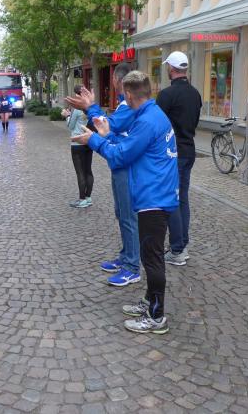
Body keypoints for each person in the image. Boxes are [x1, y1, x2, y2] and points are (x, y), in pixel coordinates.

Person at [71, 71, 179, 334]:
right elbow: (126, 144)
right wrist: (105, 135)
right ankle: (149, 302)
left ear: (129, 95)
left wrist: (93, 140)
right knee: (149, 255)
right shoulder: (149, 114)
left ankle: (156, 317)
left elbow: (120, 156)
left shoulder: (147, 121)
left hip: (154, 197)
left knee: (152, 259)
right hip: (155, 193)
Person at [66, 63, 141, 287]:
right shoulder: (125, 104)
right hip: (119, 165)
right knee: (121, 214)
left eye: (115, 80)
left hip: (126, 167)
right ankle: (126, 256)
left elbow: (107, 126)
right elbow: (109, 130)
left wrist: (91, 108)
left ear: (119, 81)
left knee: (128, 217)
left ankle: (132, 266)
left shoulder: (129, 106)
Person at [157, 51, 202, 266]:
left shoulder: (166, 95)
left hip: (172, 153)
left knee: (172, 200)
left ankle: (177, 250)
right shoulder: (195, 94)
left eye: (168, 66)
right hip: (189, 150)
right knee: (182, 198)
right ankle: (182, 244)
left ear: (172, 69)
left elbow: (156, 125)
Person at [61, 85, 93, 208]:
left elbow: (70, 126)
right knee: (88, 170)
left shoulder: (77, 108)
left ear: (76, 94)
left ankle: (82, 199)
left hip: (77, 142)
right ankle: (88, 197)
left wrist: (67, 115)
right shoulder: (91, 106)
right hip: (89, 141)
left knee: (80, 172)